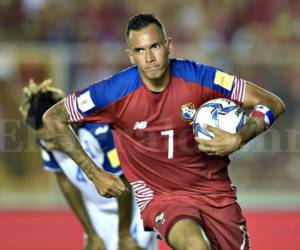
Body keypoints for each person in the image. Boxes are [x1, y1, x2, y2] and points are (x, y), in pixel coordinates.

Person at [42, 13, 286, 250]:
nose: (149, 57)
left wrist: (239, 138)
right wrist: (95, 174)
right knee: (195, 245)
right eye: (140, 50)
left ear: (169, 46)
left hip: (216, 195)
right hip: (162, 196)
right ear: (131, 56)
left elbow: (272, 103)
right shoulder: (114, 92)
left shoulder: (201, 78)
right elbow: (54, 118)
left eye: (155, 46)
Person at [19, 79, 157, 250]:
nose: (48, 146)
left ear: (66, 125)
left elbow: (124, 184)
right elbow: (66, 184)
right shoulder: (47, 141)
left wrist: (124, 235)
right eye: (43, 140)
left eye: (51, 139)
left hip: (134, 206)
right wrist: (90, 232)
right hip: (97, 209)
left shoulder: (101, 132)